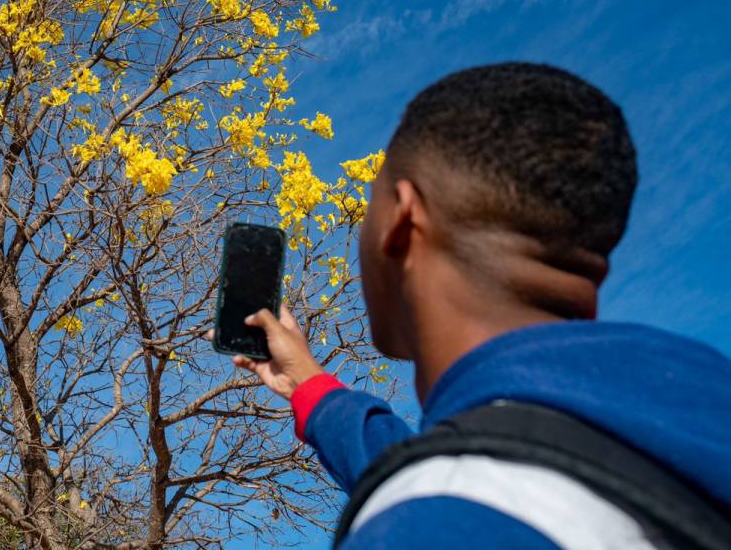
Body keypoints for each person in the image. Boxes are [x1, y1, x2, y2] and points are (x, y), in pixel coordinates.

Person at [223, 62, 731, 548]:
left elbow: (453, 498)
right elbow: (441, 469)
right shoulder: (682, 417)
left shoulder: (432, 525)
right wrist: (308, 385)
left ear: (402, 219)